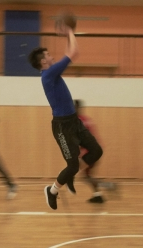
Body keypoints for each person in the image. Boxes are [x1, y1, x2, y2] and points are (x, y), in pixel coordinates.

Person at [28, 24, 103, 210]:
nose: (52, 57)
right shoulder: (48, 74)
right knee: (72, 166)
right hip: (62, 126)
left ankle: (71, 175)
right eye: (48, 56)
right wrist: (69, 31)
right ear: (43, 62)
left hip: (74, 121)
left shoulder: (51, 72)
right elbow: (74, 52)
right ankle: (52, 190)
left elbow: (70, 52)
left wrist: (68, 35)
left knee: (96, 151)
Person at [73, 99, 116, 204]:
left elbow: (80, 139)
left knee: (85, 175)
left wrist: (78, 153)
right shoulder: (86, 119)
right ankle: (98, 195)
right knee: (87, 175)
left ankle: (107, 186)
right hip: (94, 150)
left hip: (90, 151)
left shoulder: (78, 121)